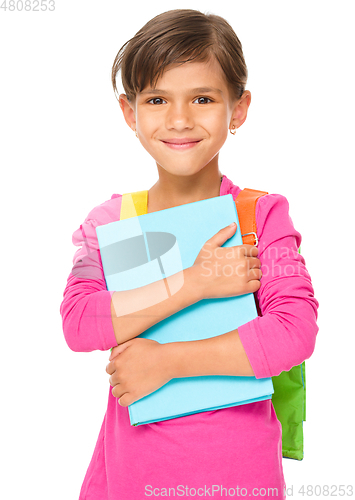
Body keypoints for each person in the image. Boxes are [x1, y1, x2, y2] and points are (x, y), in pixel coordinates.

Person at [60, 9, 319, 499]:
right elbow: (78, 322)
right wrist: (192, 282)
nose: (179, 119)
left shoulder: (261, 216)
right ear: (130, 112)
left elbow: (295, 330)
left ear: (238, 109)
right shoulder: (108, 222)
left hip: (241, 478)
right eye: (157, 99)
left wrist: (168, 362)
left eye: (203, 98)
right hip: (131, 476)